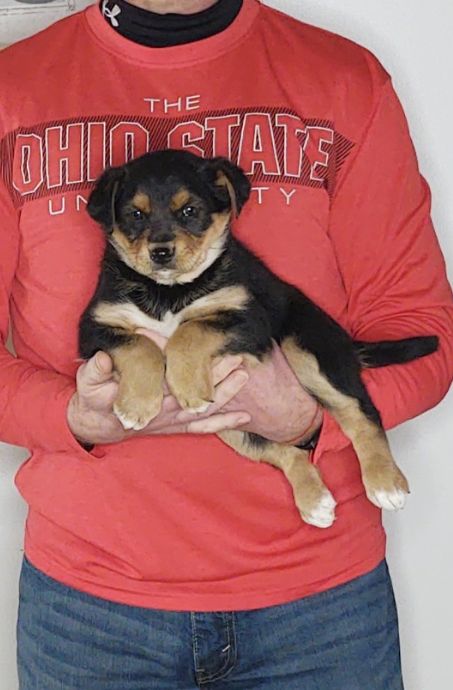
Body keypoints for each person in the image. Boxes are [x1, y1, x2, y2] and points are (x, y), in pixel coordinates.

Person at [0, 0, 452, 687]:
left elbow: (426, 337)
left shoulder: (341, 79)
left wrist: (308, 419)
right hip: (89, 610)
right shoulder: (13, 87)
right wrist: (69, 417)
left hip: (321, 609)